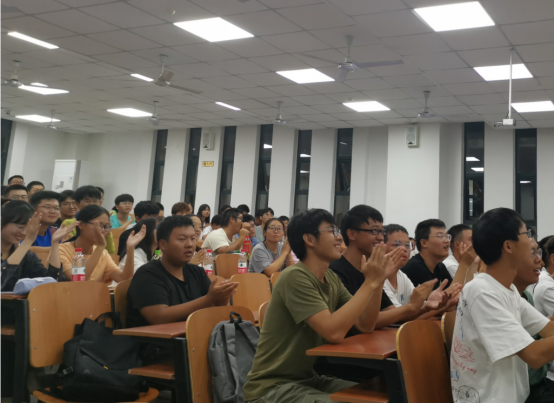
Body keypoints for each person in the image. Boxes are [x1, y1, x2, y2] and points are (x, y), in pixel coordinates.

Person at [244, 209, 394, 403]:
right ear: (309, 239)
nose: (339, 237)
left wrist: (378, 281)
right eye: (332, 231)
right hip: (271, 388)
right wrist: (370, 283)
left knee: (387, 394)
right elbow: (333, 332)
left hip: (309, 379)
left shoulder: (330, 277)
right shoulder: (294, 277)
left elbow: (365, 324)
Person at [450, 208, 554, 403]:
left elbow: (549, 330)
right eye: (526, 234)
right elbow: (535, 356)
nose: (532, 242)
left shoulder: (508, 290)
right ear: (508, 246)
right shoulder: (481, 291)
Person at [330, 207, 450, 331]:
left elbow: (393, 313)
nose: (380, 238)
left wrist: (424, 306)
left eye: (381, 232)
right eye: (374, 231)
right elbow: (364, 323)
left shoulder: (373, 270)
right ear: (352, 234)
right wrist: (411, 306)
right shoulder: (336, 271)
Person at [125, 215, 239, 328]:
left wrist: (220, 300)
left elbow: (210, 307)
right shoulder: (147, 274)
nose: (189, 244)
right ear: (163, 244)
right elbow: (159, 317)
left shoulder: (197, 271)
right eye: (182, 239)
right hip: (157, 339)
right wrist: (209, 299)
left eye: (193, 238)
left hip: (193, 334)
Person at [510, 238, 554, 402]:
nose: (540, 262)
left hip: (535, 382)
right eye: (532, 253)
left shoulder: (524, 296)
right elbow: (534, 358)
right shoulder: (487, 295)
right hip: (526, 386)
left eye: (539, 253)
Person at [1, 201, 77, 291]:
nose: (24, 233)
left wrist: (55, 243)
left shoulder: (27, 256)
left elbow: (52, 282)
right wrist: (28, 241)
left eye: (28, 229)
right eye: (20, 227)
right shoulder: (24, 250)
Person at [59, 205, 139, 283]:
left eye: (106, 226)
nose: (103, 230)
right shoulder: (61, 250)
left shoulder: (103, 253)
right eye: (99, 225)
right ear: (81, 225)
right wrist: (100, 246)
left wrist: (130, 249)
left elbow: (123, 279)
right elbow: (79, 281)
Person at [402, 219, 453, 290]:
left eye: (447, 236)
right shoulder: (415, 267)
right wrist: (464, 264)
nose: (447, 240)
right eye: (441, 236)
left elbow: (456, 293)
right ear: (424, 243)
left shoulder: (440, 267)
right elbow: (440, 297)